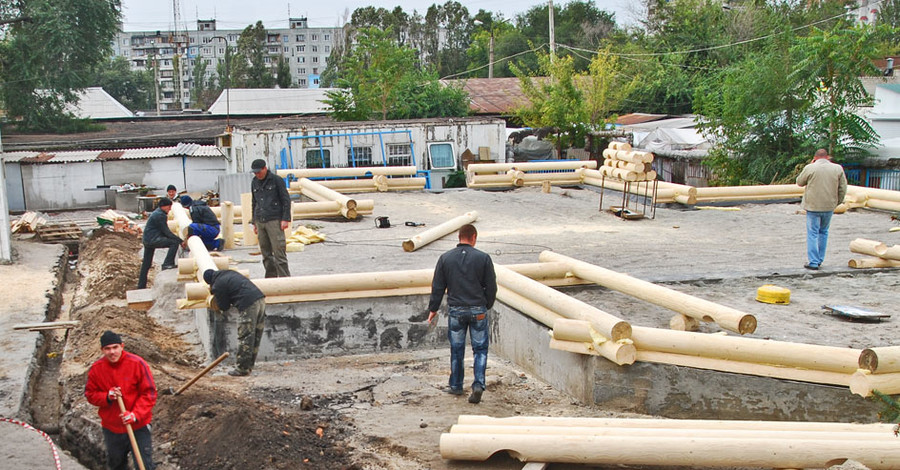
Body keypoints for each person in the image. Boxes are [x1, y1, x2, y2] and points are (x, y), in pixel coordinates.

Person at [427, 224, 497, 404]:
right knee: (480, 349)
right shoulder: (483, 258)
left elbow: (438, 286)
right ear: (473, 237)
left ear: (459, 237)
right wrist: (486, 305)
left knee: (457, 349)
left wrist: (433, 309)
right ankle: (478, 385)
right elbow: (491, 286)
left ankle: (456, 386)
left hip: (456, 311)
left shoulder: (445, 258)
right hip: (477, 309)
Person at [84, 331, 157, 470]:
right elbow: (90, 394)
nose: (112, 352)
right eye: (108, 348)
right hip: (112, 429)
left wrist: (135, 415)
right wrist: (107, 396)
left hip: (138, 426)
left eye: (115, 347)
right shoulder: (96, 369)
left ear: (122, 346)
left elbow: (149, 393)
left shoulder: (137, 364)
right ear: (102, 350)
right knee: (116, 465)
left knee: (144, 464)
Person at [203, 269, 267, 376]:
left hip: (248, 305)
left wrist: (215, 297)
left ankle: (242, 368)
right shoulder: (227, 273)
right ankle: (249, 366)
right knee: (255, 335)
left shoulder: (217, 284)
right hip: (260, 299)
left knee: (245, 336)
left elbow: (224, 306)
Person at [796, 148, 848, 270]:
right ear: (827, 157)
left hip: (813, 206)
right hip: (829, 206)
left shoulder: (810, 168)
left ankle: (813, 262)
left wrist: (811, 164)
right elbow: (842, 188)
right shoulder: (837, 168)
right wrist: (837, 202)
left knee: (813, 233)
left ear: (815, 157)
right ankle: (820, 260)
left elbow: (799, 182)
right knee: (824, 232)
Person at [250, 158, 292, 278]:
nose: (257, 174)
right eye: (255, 172)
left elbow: (285, 200)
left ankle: (285, 280)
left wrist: (285, 218)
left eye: (258, 172)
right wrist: (254, 222)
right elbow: (254, 202)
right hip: (260, 220)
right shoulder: (254, 182)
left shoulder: (276, 180)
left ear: (265, 168)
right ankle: (270, 279)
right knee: (266, 254)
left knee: (279, 253)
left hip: (274, 220)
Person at [137, 197, 182, 289]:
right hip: (153, 239)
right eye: (169, 207)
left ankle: (141, 286)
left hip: (147, 239)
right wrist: (180, 240)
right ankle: (167, 264)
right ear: (164, 206)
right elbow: (166, 231)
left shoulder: (157, 213)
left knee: (146, 264)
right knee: (174, 243)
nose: (169, 210)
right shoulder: (160, 215)